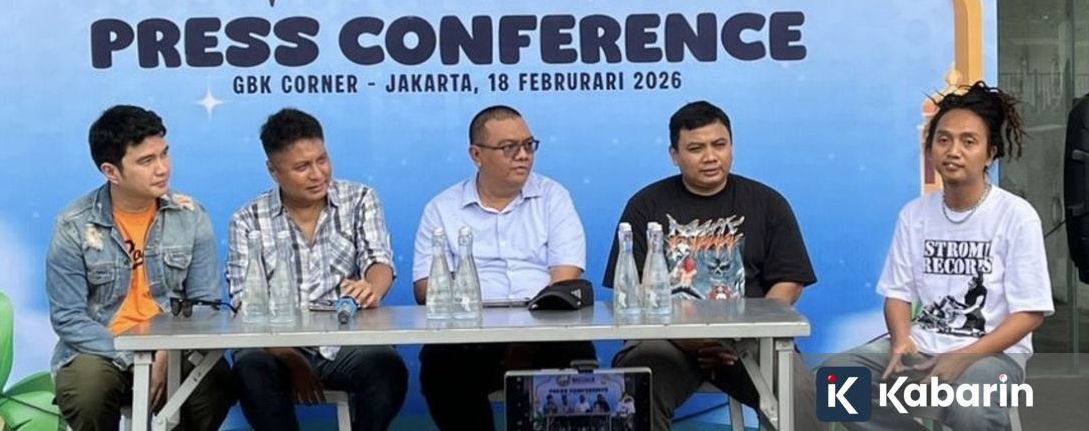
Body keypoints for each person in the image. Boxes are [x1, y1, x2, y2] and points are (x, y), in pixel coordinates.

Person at [822, 82, 1054, 430]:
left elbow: (1030, 313)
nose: (953, 151)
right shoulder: (914, 214)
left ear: (990, 154)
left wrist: (964, 356)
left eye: (968, 141)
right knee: (836, 380)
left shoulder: (1016, 216)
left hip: (993, 355)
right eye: (943, 140)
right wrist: (902, 341)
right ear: (930, 149)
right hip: (923, 346)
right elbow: (897, 295)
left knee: (971, 405)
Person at [603, 100, 820, 431]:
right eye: (696, 148)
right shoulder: (646, 205)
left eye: (719, 145)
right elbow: (633, 292)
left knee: (799, 395)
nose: (710, 157)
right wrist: (688, 338)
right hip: (664, 339)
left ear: (731, 146)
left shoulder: (767, 203)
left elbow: (789, 282)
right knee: (637, 391)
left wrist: (743, 331)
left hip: (748, 340)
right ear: (674, 154)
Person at [47, 105, 233, 431]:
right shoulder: (73, 225)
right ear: (111, 171)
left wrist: (167, 351)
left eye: (164, 154)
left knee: (215, 383)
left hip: (172, 348)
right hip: (102, 350)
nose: (162, 169)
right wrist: (136, 356)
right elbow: (68, 317)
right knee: (87, 390)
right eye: (146, 161)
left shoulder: (191, 216)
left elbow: (205, 307)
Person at [413, 105, 596, 431]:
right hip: (470, 337)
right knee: (440, 365)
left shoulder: (553, 197)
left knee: (577, 353)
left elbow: (566, 277)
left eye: (529, 145)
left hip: (546, 333)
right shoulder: (442, 209)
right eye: (510, 147)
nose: (523, 155)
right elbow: (426, 288)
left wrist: (526, 339)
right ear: (476, 155)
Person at [226, 108, 407, 431]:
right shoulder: (247, 219)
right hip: (275, 346)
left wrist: (372, 288)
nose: (317, 174)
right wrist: (289, 356)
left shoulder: (360, 199)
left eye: (322, 160)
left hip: (345, 342)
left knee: (386, 367)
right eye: (302, 167)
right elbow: (245, 303)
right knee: (251, 369)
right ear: (273, 171)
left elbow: (379, 261)